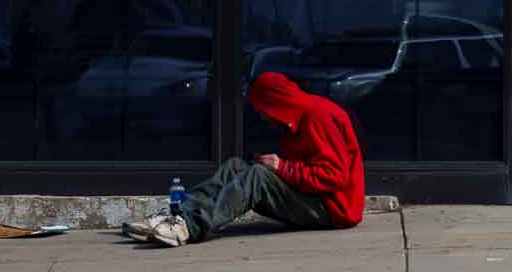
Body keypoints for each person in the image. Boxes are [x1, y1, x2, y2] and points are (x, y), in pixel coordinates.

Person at [126, 71, 366, 247]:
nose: (262, 116)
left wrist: (282, 167)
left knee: (259, 175)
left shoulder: (319, 116)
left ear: (275, 103)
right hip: (314, 199)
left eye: (262, 109)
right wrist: (281, 167)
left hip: (332, 211)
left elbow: (334, 177)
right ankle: (177, 215)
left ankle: (189, 227)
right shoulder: (297, 119)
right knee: (235, 167)